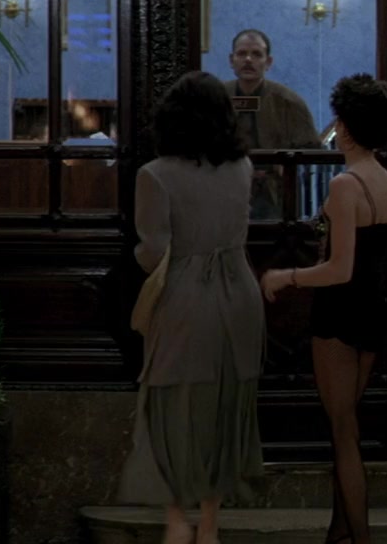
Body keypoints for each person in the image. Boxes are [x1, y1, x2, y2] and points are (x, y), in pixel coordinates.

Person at [117, 70, 266, 544]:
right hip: (241, 293)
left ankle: (178, 520)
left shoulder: (155, 175)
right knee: (226, 405)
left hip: (186, 296)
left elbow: (153, 251)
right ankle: (210, 525)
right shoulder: (242, 168)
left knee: (175, 406)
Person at [259, 73, 387, 544]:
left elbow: (340, 269)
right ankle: (339, 531)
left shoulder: (345, 185)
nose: (335, 128)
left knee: (343, 434)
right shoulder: (385, 180)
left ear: (348, 128)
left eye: (339, 120)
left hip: (339, 314)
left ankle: (359, 538)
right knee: (347, 426)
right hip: (372, 311)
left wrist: (286, 277)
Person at [222, 29, 321, 219]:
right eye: (241, 53)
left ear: (268, 62)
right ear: (231, 60)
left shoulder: (288, 101)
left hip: (273, 192)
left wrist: (285, 166)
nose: (248, 60)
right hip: (225, 189)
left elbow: (312, 147)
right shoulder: (218, 98)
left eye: (256, 54)